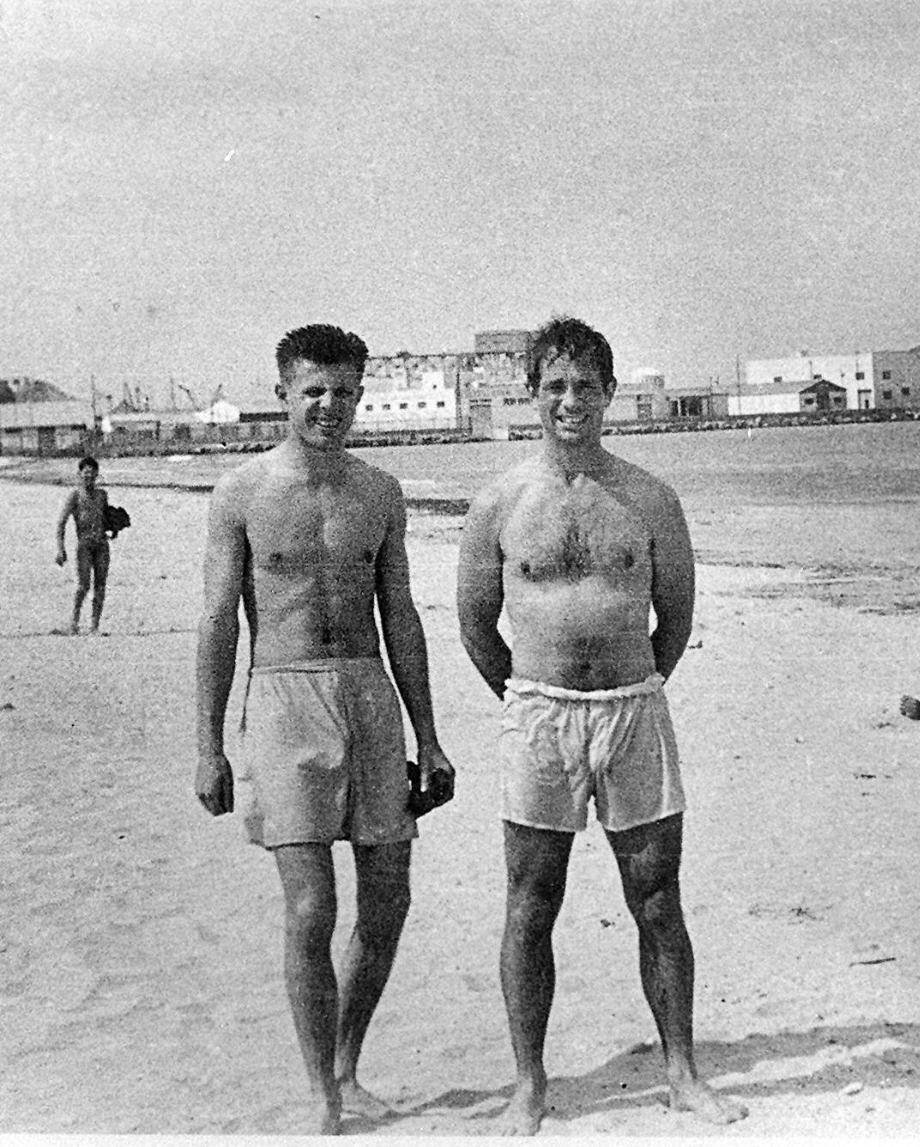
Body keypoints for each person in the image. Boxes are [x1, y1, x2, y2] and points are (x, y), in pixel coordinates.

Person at [456, 316, 745, 1134]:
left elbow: (676, 618)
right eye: (555, 385)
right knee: (530, 903)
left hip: (633, 712)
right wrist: (528, 697)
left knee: (657, 900)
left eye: (587, 385)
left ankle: (683, 1073)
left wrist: (626, 685)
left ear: (611, 393)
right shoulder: (500, 502)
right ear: (532, 395)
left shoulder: (651, 497)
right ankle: (528, 1084)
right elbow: (477, 624)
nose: (571, 400)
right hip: (539, 717)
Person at [194, 323, 455, 1135]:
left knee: (389, 903)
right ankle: (321, 1095)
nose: (329, 406)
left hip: (369, 697)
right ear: (282, 393)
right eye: (313, 390)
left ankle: (347, 1064)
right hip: (282, 696)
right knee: (311, 910)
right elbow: (217, 623)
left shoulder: (379, 491)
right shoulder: (240, 494)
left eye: (344, 391)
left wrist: (431, 736)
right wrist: (206, 744)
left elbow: (402, 617)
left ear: (360, 395)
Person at [54, 455, 112, 633]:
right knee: (84, 585)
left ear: (97, 475)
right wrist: (60, 549)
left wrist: (114, 529)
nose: (89, 476)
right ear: (79, 474)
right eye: (86, 473)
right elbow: (61, 523)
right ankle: (74, 622)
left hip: (102, 544)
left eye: (93, 473)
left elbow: (107, 520)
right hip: (84, 545)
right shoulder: (74, 496)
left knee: (100, 586)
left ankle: (94, 626)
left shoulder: (102, 495)